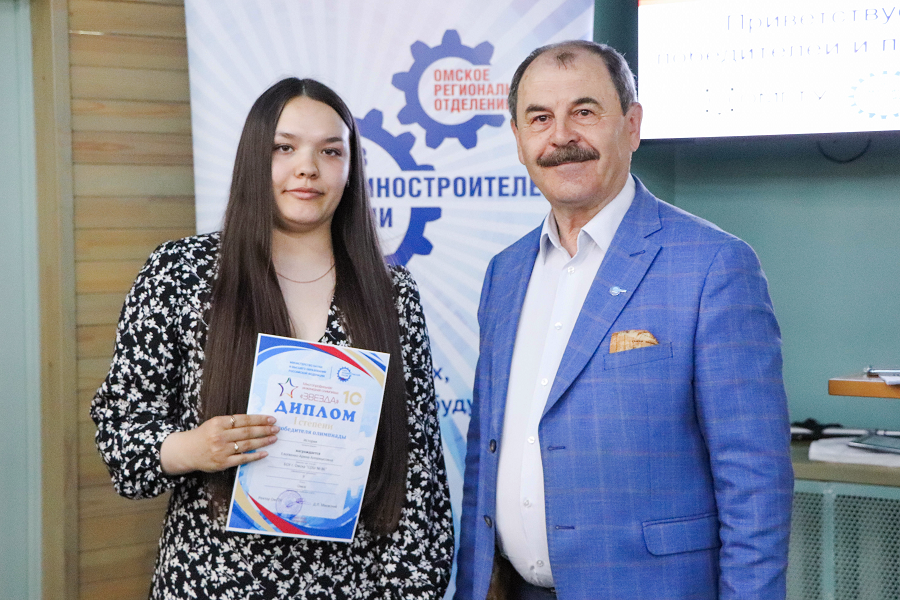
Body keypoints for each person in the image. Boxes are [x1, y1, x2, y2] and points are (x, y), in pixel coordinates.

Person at [454, 41, 793, 600]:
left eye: (584, 112)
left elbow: (755, 487)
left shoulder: (713, 266)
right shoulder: (505, 273)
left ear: (632, 126)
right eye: (539, 118)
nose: (562, 136)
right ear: (517, 139)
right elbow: (485, 453)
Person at [91, 77, 454, 600]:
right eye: (284, 148)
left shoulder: (391, 293)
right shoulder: (181, 273)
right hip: (212, 582)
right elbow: (120, 432)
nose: (307, 167)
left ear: (351, 169)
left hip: (353, 586)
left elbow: (417, 474)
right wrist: (194, 448)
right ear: (253, 158)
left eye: (330, 151)